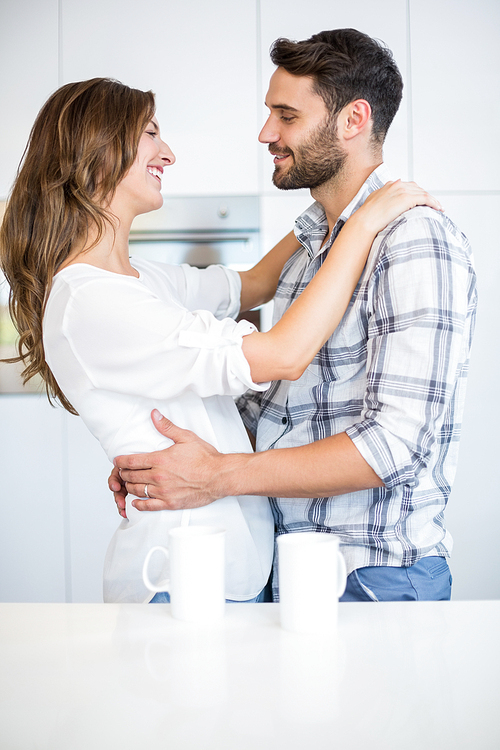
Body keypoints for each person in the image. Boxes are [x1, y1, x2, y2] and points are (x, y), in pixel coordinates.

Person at [0, 77, 436, 604]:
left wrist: (330, 214)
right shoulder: (92, 303)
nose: (169, 152)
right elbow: (283, 356)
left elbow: (252, 283)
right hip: (175, 576)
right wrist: (362, 224)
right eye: (151, 133)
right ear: (98, 150)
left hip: (228, 574)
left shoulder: (141, 280)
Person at [111, 29, 477, 603]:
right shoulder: (311, 250)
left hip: (373, 573)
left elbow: (390, 443)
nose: (266, 134)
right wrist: (154, 456)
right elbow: (280, 410)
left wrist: (217, 474)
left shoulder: (413, 239)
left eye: (286, 115)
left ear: (354, 120)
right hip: (292, 567)